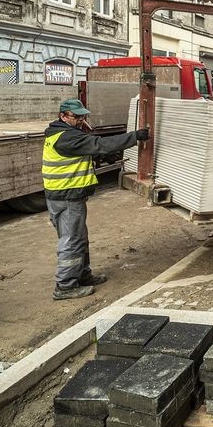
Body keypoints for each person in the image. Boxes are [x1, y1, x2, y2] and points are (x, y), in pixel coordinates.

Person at [43, 98, 149, 300]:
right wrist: (134, 137)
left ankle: (82, 276)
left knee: (79, 238)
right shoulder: (64, 137)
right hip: (65, 196)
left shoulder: (65, 133)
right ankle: (65, 287)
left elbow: (86, 151)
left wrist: (100, 157)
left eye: (83, 116)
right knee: (71, 241)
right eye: (76, 116)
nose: (81, 120)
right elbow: (99, 144)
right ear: (63, 116)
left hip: (69, 195)